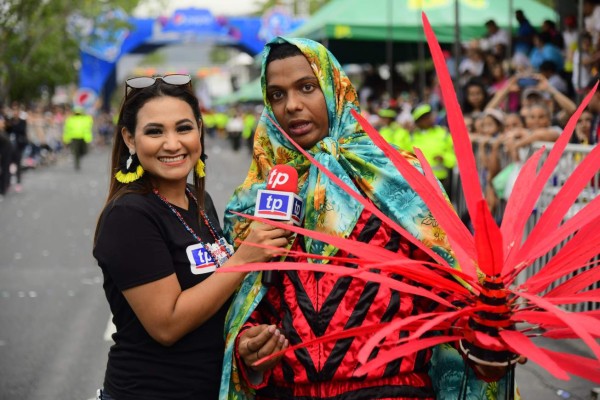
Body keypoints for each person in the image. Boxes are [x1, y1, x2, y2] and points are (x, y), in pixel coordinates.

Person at [221, 37, 516, 400]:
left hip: (392, 390)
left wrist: (488, 332)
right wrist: (249, 346)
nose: (292, 105)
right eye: (277, 95)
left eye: (307, 87)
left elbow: (451, 289)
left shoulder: (399, 178)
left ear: (335, 88)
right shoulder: (255, 198)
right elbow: (250, 304)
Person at [92, 74, 292, 400]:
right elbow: (167, 325)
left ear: (200, 130)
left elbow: (212, 301)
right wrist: (243, 260)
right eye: (154, 131)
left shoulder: (199, 201)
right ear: (129, 138)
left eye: (183, 128)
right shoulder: (129, 215)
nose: (172, 144)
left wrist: (245, 339)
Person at [62, 106, 93, 170]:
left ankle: (78, 159)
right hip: (74, 138)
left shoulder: (85, 119)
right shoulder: (70, 119)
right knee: (76, 152)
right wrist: (66, 139)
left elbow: (90, 124)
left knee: (84, 152)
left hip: (83, 138)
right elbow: (67, 130)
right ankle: (77, 164)